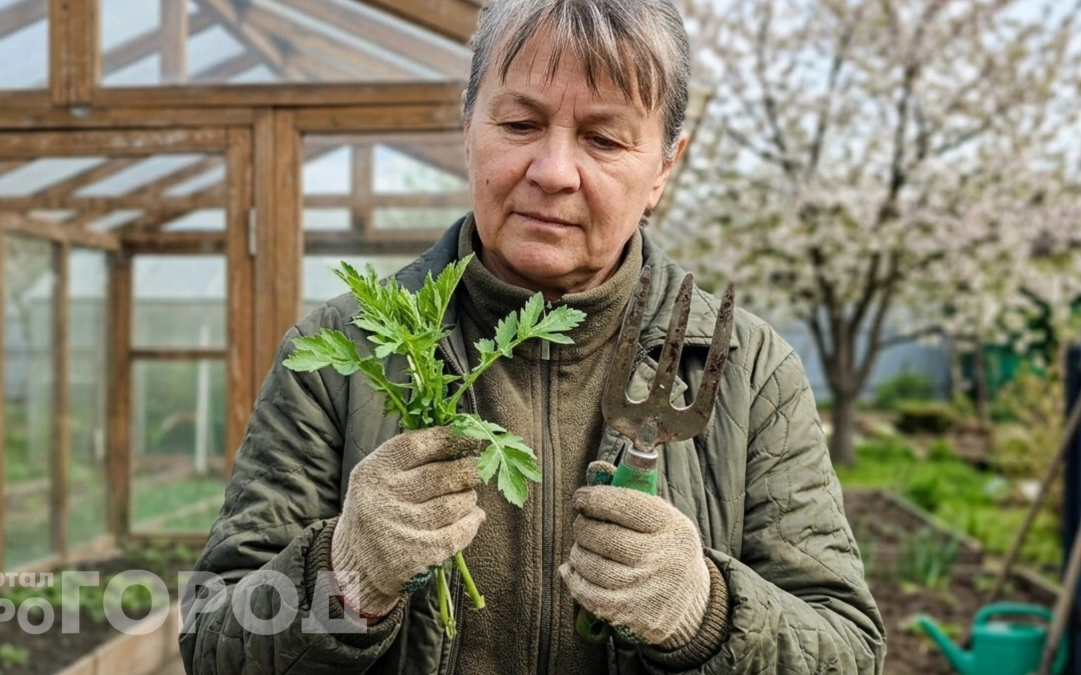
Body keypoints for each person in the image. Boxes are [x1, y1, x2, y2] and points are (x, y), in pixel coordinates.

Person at [179, 0, 886, 672]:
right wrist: (345, 577)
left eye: (604, 139)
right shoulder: (341, 354)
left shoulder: (747, 371)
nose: (552, 173)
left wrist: (705, 613)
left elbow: (850, 648)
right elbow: (212, 640)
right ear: (467, 129)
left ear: (664, 169)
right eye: (520, 125)